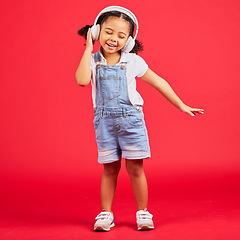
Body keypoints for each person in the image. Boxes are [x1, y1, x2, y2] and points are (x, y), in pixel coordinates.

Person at [75, 6, 204, 232]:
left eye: (121, 35)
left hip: (131, 121)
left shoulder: (133, 61)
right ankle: (106, 214)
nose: (113, 38)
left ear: (129, 41)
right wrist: (88, 47)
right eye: (108, 32)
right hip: (104, 122)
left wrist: (181, 105)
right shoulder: (92, 61)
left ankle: (143, 212)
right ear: (96, 32)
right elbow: (82, 81)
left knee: (135, 168)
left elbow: (160, 82)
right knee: (109, 169)